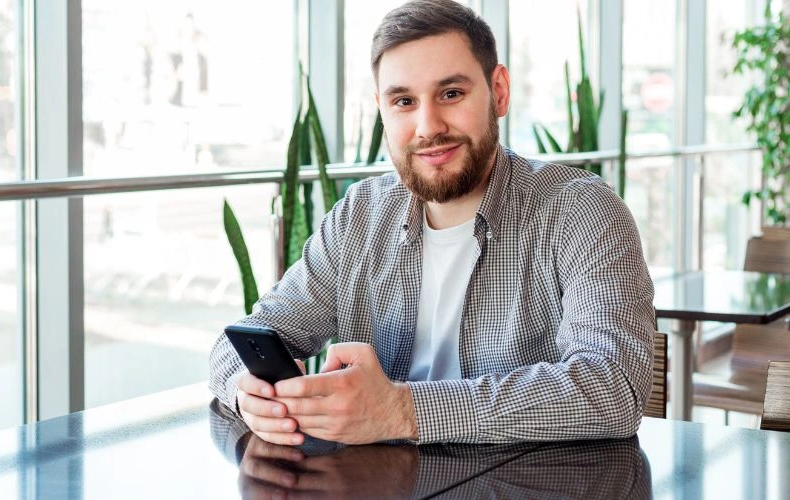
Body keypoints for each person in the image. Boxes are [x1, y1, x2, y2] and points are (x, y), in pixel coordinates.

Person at [209, 0, 655, 446]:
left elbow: (614, 387)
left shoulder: (581, 210)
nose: (428, 127)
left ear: (498, 91)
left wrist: (404, 411)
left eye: (451, 94)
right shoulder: (359, 215)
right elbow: (244, 341)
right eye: (404, 101)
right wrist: (247, 394)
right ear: (382, 109)